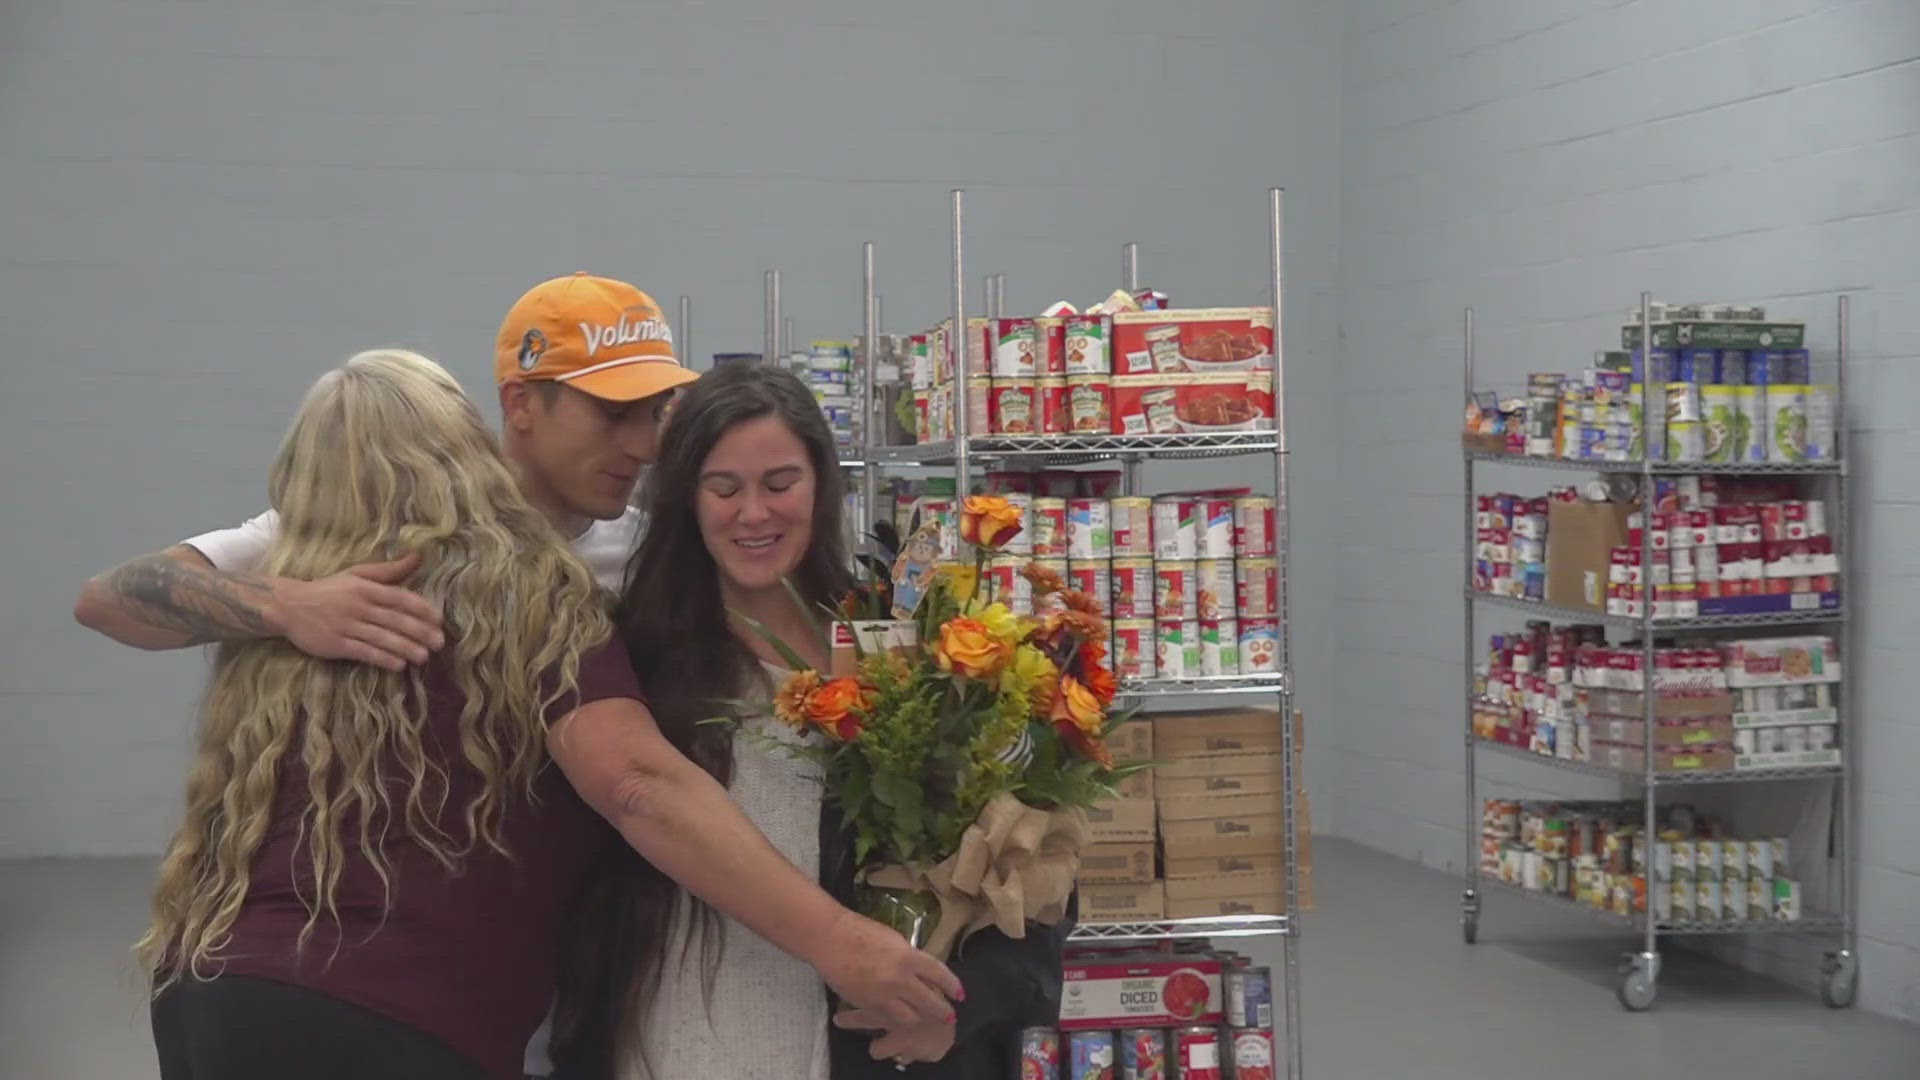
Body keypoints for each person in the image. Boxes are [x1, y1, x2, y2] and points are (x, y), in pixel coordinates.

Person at [74, 276, 960, 1075]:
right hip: (381, 1009)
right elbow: (110, 600)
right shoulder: (387, 536)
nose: (643, 444)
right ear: (520, 405)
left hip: (267, 994)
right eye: (611, 413)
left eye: (654, 414)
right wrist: (285, 609)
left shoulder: (639, 544)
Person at [553, 361, 1071, 1079]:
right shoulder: (633, 663)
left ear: (822, 484)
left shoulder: (913, 646)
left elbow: (1039, 887)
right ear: (686, 501)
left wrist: (953, 1011)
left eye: (779, 483)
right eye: (724, 488)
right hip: (670, 1050)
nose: (754, 514)